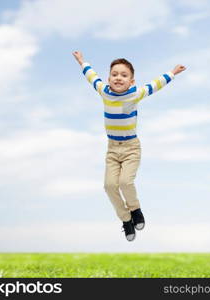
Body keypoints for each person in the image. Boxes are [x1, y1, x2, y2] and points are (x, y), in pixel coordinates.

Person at [72, 51, 186, 241]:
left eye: (124, 75)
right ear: (108, 79)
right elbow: (91, 76)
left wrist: (173, 72)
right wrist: (82, 61)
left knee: (125, 182)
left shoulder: (135, 94)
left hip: (131, 148)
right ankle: (126, 219)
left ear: (131, 81)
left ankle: (135, 210)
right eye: (115, 74)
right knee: (109, 186)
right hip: (112, 150)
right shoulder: (103, 91)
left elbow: (155, 85)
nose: (118, 78)